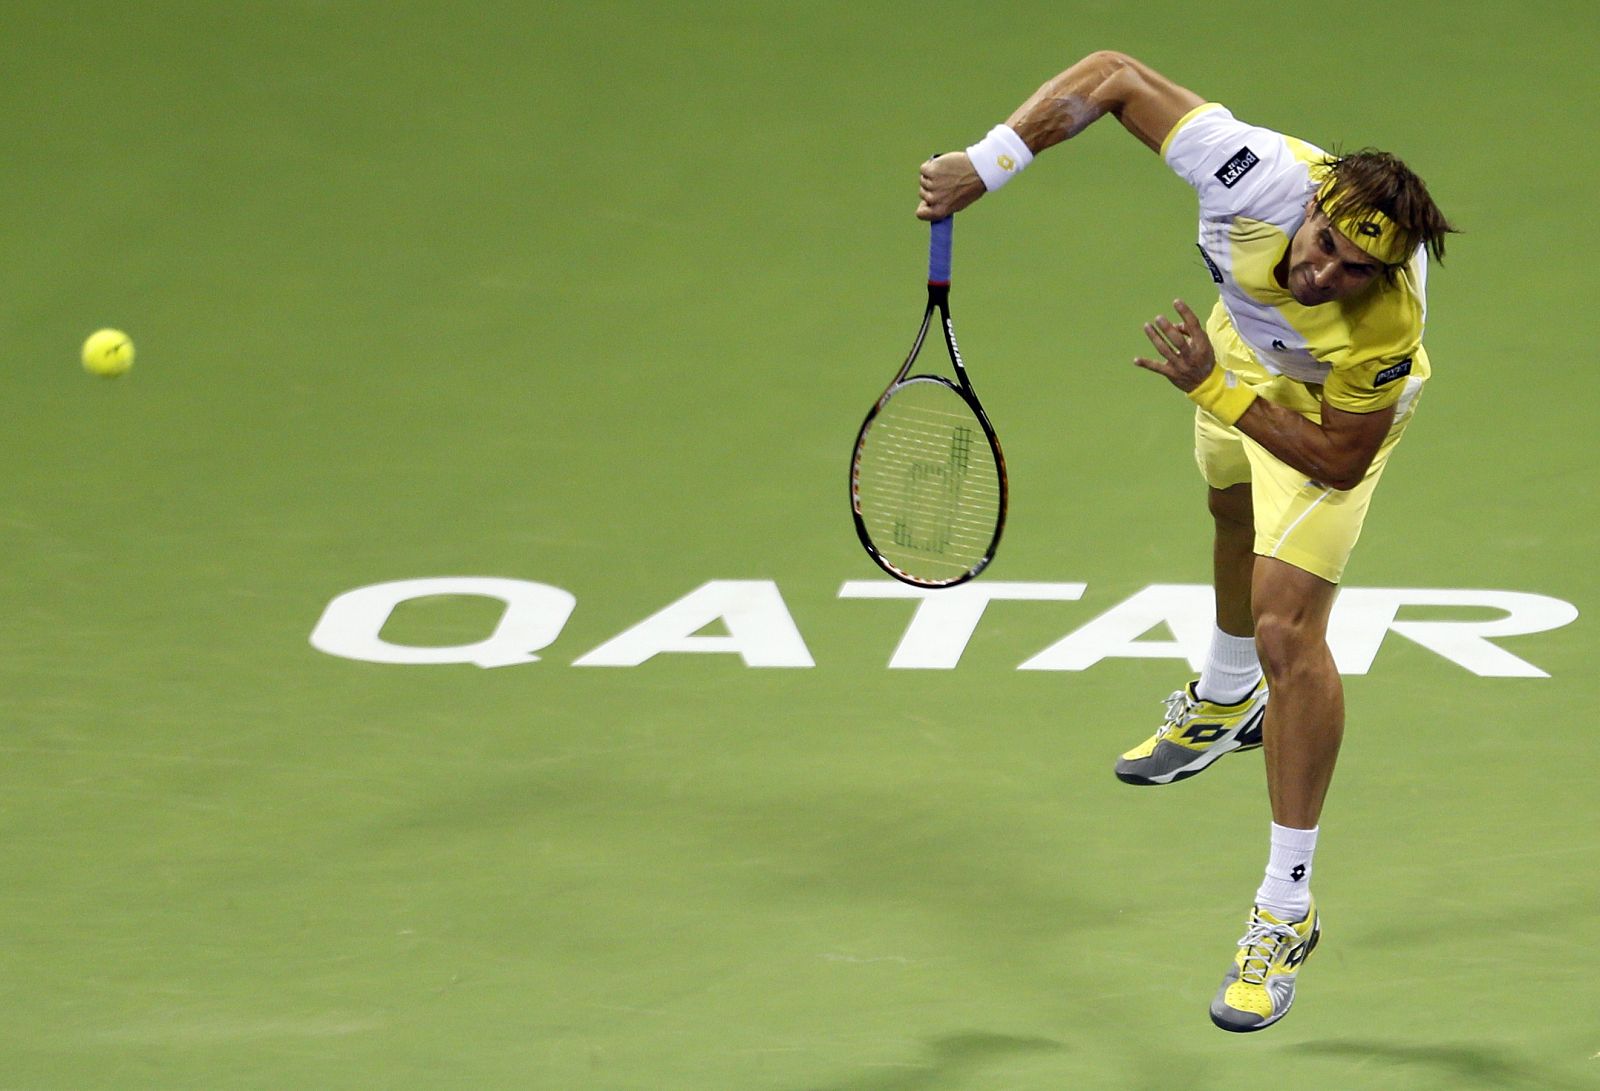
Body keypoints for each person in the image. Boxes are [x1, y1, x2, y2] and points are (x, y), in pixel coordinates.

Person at [916, 51, 1455, 1032]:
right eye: (1324, 240)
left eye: (1352, 268)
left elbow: (1335, 460)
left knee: (1291, 629)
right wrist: (986, 163)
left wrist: (1213, 385)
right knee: (1227, 509)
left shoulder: (1382, 327)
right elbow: (1114, 76)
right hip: (1237, 349)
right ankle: (1220, 691)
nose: (1322, 270)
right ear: (1310, 202)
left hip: (1323, 412)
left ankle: (1281, 910)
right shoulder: (1247, 169)